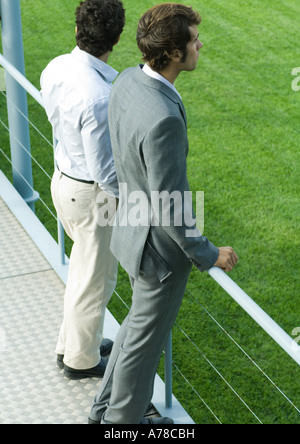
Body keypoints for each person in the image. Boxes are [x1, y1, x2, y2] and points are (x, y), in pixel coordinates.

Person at [89, 3, 238, 424]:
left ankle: (102, 413)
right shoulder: (163, 118)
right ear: (173, 53)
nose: (200, 45)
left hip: (129, 233)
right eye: (193, 40)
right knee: (143, 346)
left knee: (132, 334)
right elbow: (170, 205)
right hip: (158, 256)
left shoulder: (128, 78)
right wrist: (209, 253)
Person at [40, 0, 125, 380]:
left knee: (82, 272)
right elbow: (105, 171)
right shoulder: (100, 96)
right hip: (91, 196)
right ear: (117, 38)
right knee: (96, 282)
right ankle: (81, 360)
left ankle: (73, 343)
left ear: (77, 30)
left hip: (63, 182)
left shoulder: (56, 66)